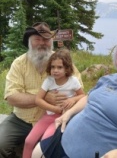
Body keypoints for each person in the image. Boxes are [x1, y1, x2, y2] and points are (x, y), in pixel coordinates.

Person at [0, 22, 83, 158]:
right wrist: (44, 98)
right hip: (21, 120)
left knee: (54, 149)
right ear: (29, 42)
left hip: (57, 119)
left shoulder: (64, 63)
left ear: (51, 42)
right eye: (37, 39)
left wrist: (68, 107)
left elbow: (80, 93)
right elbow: (11, 96)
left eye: (46, 39)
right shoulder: (19, 64)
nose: (42, 43)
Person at [22, 49, 85, 158]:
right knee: (29, 141)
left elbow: (83, 96)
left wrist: (73, 100)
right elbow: (38, 99)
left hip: (63, 118)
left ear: (67, 69)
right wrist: (54, 109)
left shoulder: (73, 81)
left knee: (46, 144)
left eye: (59, 67)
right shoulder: (49, 81)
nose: (55, 70)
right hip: (49, 116)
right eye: (52, 67)